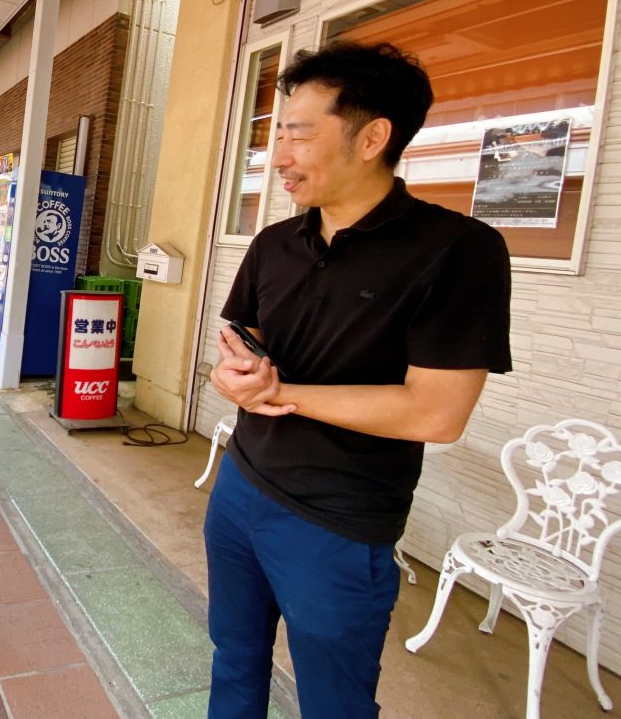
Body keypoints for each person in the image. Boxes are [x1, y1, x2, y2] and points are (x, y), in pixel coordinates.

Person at [205, 41, 511, 719]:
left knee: (335, 703)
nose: (277, 156)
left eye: (298, 134)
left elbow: (437, 414)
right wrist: (232, 372)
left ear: (373, 136)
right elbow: (237, 345)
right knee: (233, 657)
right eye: (276, 133)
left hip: (337, 522)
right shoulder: (274, 244)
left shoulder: (458, 251)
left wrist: (279, 392)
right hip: (239, 487)